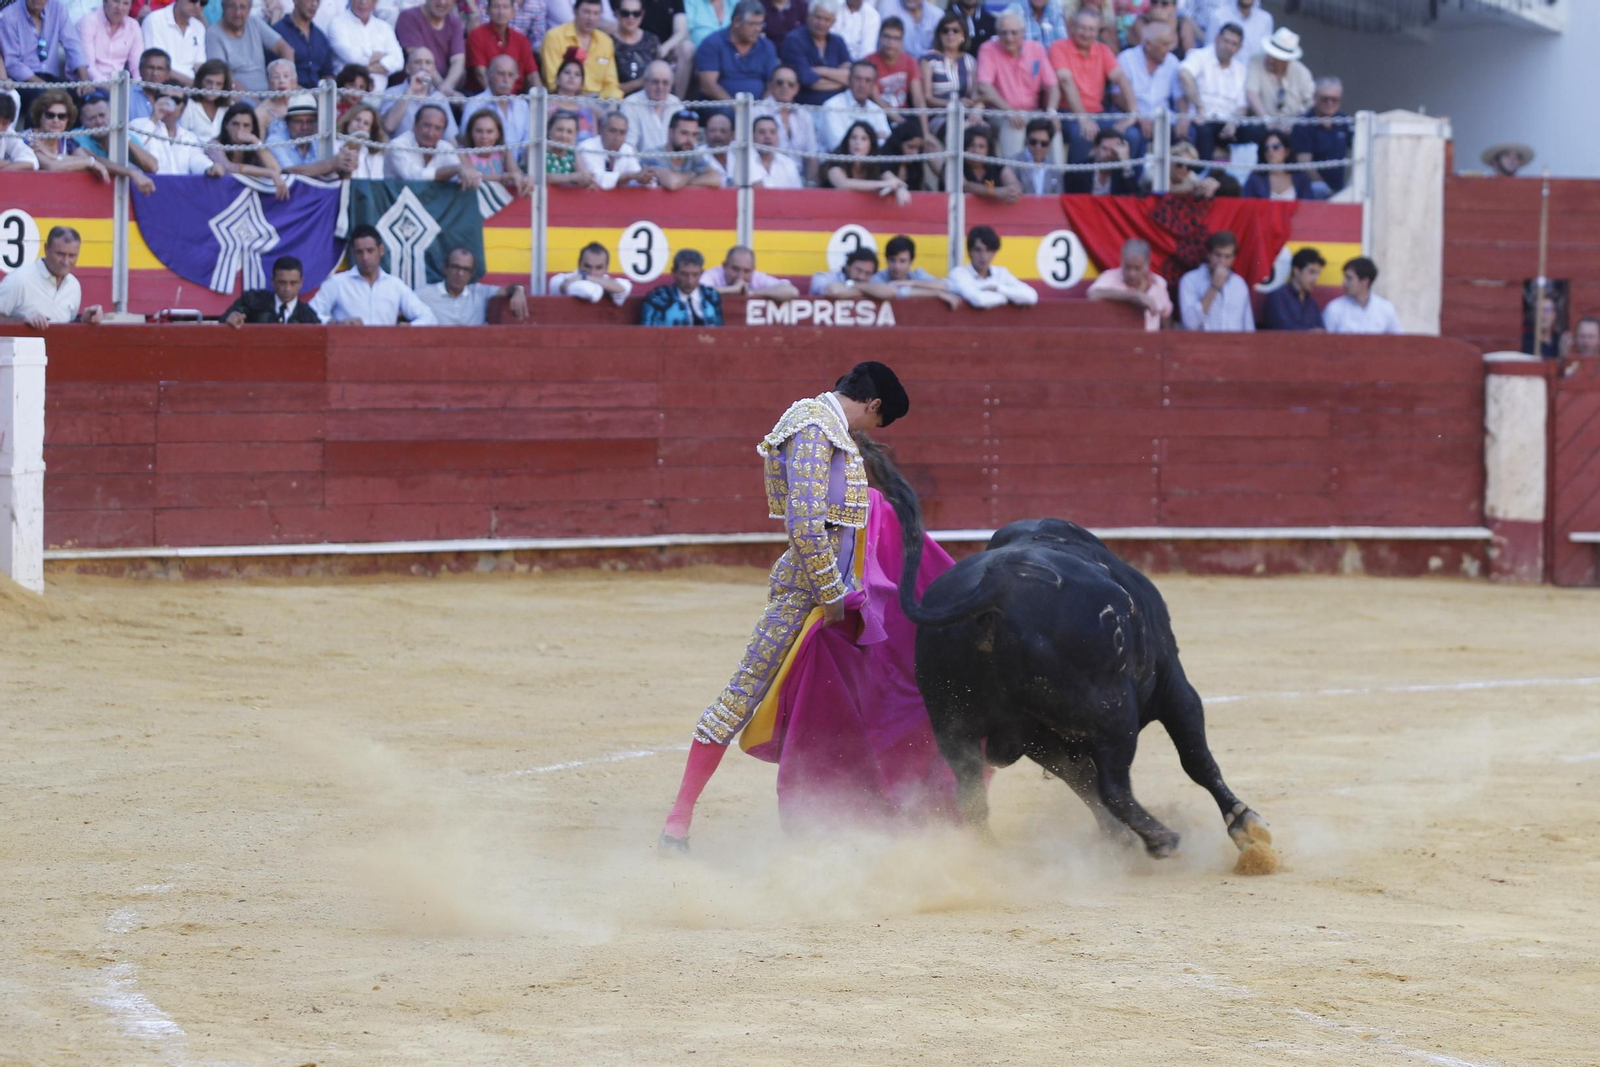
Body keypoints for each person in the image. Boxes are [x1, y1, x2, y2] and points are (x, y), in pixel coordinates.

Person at [659, 361, 930, 849]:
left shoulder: (832, 432)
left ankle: (851, 823)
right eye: (878, 421)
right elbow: (805, 525)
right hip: (807, 596)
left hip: (842, 597)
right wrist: (831, 596)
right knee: (742, 694)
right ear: (873, 405)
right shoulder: (812, 425)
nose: (872, 430)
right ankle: (677, 822)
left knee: (865, 696)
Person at [1051, 5, 1137, 164]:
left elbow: (1121, 78)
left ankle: (1127, 185)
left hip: (1099, 114)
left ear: (1097, 32)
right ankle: (1076, 186)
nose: (1086, 33)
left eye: (1091, 29)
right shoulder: (1059, 47)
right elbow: (1066, 82)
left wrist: (1132, 114)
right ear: (1072, 27)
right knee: (1083, 134)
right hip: (1069, 114)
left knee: (1132, 134)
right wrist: (1083, 118)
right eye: (1082, 28)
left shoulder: (1103, 49)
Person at [310, 225, 438, 325]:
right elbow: (308, 315)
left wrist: (409, 328)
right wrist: (335, 323)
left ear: (381, 250)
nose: (365, 257)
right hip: (347, 353)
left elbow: (429, 317)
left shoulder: (395, 285)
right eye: (360, 252)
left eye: (370, 251)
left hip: (385, 353)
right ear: (353, 253)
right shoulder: (337, 283)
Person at [975, 8, 1058, 158]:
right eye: (1003, 33)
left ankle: (1056, 178)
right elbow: (984, 86)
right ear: (997, 33)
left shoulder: (1036, 49)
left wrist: (1051, 112)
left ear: (1023, 32)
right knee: (1015, 127)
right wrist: (1009, 111)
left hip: (1033, 112)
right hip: (1001, 112)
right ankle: (1012, 179)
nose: (1009, 37)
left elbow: (1052, 85)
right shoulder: (988, 49)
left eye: (1014, 32)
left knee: (1052, 128)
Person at [0, 0, 90, 116]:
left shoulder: (57, 8)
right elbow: (13, 63)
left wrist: (85, 81)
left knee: (84, 95)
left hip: (50, 78)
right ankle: (32, 134)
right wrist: (45, 86)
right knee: (42, 98)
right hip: (24, 81)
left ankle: (75, 135)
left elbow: (73, 44)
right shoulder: (9, 15)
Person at [0, 226, 102, 329]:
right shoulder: (19, 280)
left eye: (72, 256)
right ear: (46, 249)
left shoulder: (74, 286)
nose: (66, 262)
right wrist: (23, 321)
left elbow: (66, 327)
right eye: (60, 254)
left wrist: (83, 320)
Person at [1179, 20, 1247, 162]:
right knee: (1204, 131)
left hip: (1227, 122)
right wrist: (1199, 105)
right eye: (1225, 41)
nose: (1228, 46)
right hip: (1202, 118)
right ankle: (1203, 175)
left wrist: (1234, 122)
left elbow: (1242, 106)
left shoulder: (1241, 70)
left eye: (1233, 44)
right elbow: (1184, 74)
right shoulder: (1199, 56)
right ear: (1217, 38)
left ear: (1239, 47)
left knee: (1256, 132)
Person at [1117, 18, 1189, 148]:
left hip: (1163, 119)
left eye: (1170, 44)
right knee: (1134, 135)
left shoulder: (1172, 61)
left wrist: (1183, 117)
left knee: (1188, 132)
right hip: (1133, 117)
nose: (1169, 49)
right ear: (1149, 45)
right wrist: (1138, 116)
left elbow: (1180, 96)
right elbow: (1117, 96)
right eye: (1164, 44)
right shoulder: (1126, 58)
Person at [415, 246, 529, 324]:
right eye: (455, 267)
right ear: (445, 268)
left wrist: (519, 290)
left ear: (471, 274)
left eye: (466, 269)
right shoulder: (424, 294)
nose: (460, 273)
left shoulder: (480, 293)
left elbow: (509, 289)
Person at [71, 93, 160, 193]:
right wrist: (132, 173)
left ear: (112, 114)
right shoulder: (76, 136)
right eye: (92, 118)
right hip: (86, 192)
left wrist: (125, 140)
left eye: (102, 115)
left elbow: (152, 167)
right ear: (82, 120)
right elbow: (94, 161)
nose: (99, 121)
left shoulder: (127, 135)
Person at [695, 0, 778, 101]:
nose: (758, 29)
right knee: (720, 118)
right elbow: (708, 86)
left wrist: (760, 108)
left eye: (760, 24)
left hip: (758, 108)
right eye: (752, 24)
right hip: (720, 106)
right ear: (736, 21)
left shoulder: (766, 46)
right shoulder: (712, 43)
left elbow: (773, 83)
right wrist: (736, 107)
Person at [206, 0, 295, 93]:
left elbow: (286, 49)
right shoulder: (214, 33)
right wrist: (250, 99)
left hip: (268, 95)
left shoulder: (255, 23)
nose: (237, 12)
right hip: (237, 98)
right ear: (223, 8)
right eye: (232, 6)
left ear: (249, 10)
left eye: (243, 7)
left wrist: (289, 79)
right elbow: (222, 74)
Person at [129, 86, 221, 173]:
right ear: (155, 101)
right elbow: (135, 149)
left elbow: (198, 161)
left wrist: (211, 167)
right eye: (163, 97)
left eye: (175, 100)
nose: (168, 103)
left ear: (183, 108)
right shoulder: (137, 125)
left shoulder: (188, 137)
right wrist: (154, 119)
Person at [1087, 237, 1171, 330]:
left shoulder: (1159, 283)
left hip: (1150, 341)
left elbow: (1165, 317)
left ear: (1148, 264)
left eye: (1137, 268)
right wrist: (1135, 295)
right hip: (1118, 340)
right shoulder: (1110, 277)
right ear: (1121, 261)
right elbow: (1093, 294)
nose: (1132, 273)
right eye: (1128, 267)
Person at [1244, 26, 1312, 142]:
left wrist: (1294, 123)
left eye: (1276, 58)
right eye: (1269, 54)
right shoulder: (1256, 61)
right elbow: (1251, 93)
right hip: (1263, 123)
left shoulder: (1302, 72)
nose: (1270, 60)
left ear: (1287, 60)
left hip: (1292, 125)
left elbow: (1311, 102)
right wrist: (1267, 121)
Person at [542, 0, 622, 97]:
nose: (591, 18)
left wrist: (611, 102)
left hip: (600, 99)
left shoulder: (605, 41)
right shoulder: (554, 37)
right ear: (575, 12)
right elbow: (552, 81)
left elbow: (611, 84)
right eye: (586, 12)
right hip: (566, 98)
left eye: (596, 13)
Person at [385, 101, 479, 183]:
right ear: (415, 125)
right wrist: (456, 169)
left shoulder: (446, 147)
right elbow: (415, 178)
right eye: (426, 125)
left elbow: (462, 176)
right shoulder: (397, 145)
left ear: (443, 132)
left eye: (438, 128)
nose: (431, 133)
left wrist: (466, 173)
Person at [1178, 229, 1253, 331]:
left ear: (1233, 258)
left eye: (1227, 257)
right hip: (1201, 345)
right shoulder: (1190, 280)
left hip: (1233, 345)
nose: (1222, 261)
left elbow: (1248, 326)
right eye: (1218, 255)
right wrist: (1214, 287)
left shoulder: (1239, 284)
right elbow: (1190, 324)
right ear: (1209, 255)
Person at [824, 120, 911, 206]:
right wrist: (882, 184)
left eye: (864, 139)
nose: (858, 143)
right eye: (854, 138)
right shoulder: (837, 158)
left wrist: (900, 188)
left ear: (871, 144)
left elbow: (893, 180)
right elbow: (842, 184)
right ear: (847, 141)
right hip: (833, 208)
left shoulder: (876, 162)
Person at [780, 0, 849, 106]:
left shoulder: (838, 41)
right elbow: (808, 80)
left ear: (833, 22)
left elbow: (850, 76)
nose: (821, 23)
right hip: (806, 104)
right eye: (818, 17)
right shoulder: (794, 40)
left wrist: (822, 71)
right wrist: (841, 81)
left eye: (827, 19)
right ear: (809, 16)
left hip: (838, 105)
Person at [949, 225, 1037, 308]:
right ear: (969, 252)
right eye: (978, 250)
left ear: (994, 252)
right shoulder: (959, 273)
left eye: (989, 250)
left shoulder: (1001, 273)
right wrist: (1006, 298)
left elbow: (1031, 296)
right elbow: (979, 300)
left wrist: (997, 289)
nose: (984, 256)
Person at [756, 63, 818, 180]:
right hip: (766, 177)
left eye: (791, 84)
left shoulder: (805, 115)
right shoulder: (757, 111)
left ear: (797, 88)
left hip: (798, 180)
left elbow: (812, 156)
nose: (785, 87)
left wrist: (811, 185)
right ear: (770, 85)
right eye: (780, 83)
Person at [383, 48, 461, 140]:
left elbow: (449, 137)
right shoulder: (392, 92)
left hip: (431, 152)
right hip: (401, 150)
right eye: (417, 62)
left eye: (428, 63)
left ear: (433, 69)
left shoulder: (439, 97)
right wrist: (410, 90)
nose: (423, 67)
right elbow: (388, 126)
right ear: (407, 68)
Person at [1291, 76, 1349, 199]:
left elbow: (1360, 147)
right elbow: (1304, 162)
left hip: (1339, 189)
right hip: (1312, 189)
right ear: (1315, 98)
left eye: (1335, 99)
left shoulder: (1343, 121)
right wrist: (1326, 190)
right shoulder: (1304, 123)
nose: (1330, 103)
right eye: (1325, 99)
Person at [222, 255, 322, 325]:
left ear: (301, 282)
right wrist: (231, 318)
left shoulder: (308, 316)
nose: (287, 289)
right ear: (273, 281)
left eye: (293, 283)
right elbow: (226, 320)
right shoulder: (252, 301)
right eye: (282, 282)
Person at [329, 0, 404, 90]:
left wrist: (366, 68)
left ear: (375, 2)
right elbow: (353, 57)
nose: (363, 2)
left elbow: (398, 61)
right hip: (347, 96)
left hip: (378, 98)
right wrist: (380, 56)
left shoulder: (384, 27)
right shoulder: (337, 24)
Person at [461, 54, 529, 154]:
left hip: (519, 167)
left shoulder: (522, 105)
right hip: (485, 165)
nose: (506, 80)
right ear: (489, 75)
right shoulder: (475, 103)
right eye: (501, 74)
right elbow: (466, 139)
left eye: (510, 75)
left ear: (516, 78)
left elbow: (528, 141)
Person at [465, 0, 537, 92]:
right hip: (482, 98)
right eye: (496, 7)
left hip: (516, 100)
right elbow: (480, 74)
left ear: (513, 12)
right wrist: (497, 100)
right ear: (487, 10)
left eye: (505, 7)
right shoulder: (476, 35)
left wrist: (543, 100)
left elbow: (532, 75)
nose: (501, 12)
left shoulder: (521, 40)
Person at [919, 11, 978, 122]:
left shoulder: (970, 60)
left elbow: (974, 94)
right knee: (966, 132)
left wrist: (977, 107)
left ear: (963, 35)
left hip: (965, 114)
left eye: (955, 31)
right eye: (945, 31)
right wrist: (955, 104)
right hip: (939, 115)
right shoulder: (928, 59)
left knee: (982, 132)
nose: (950, 34)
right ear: (939, 35)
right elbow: (927, 98)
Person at [871, 234, 959, 308]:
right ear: (886, 260)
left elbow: (949, 285)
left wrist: (912, 283)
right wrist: (936, 293)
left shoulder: (917, 276)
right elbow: (897, 292)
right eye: (892, 260)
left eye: (902, 261)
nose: (897, 266)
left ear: (911, 262)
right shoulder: (878, 278)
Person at [817, 59, 888, 150]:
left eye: (868, 80)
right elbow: (838, 146)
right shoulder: (832, 106)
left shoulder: (877, 110)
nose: (862, 84)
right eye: (858, 79)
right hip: (837, 163)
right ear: (849, 80)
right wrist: (875, 136)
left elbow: (886, 145)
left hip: (871, 163)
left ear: (873, 84)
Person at [396, 0, 466, 93]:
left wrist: (446, 88)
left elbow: (458, 60)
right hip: (413, 90)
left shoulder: (454, 22)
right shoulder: (408, 17)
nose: (442, 2)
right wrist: (444, 91)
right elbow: (421, 60)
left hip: (446, 90)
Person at [639, 108, 719, 189]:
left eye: (694, 134)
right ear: (670, 132)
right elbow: (672, 183)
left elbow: (716, 179)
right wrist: (692, 174)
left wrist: (685, 181)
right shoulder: (653, 155)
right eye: (684, 133)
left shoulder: (693, 155)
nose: (689, 139)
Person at [640, 248, 723, 325]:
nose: (690, 281)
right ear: (673, 272)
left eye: (695, 274)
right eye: (684, 274)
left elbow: (720, 331)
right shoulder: (658, 298)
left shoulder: (712, 296)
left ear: (701, 273)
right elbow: (647, 332)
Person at [865, 17, 924, 124]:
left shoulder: (910, 61)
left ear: (901, 40)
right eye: (887, 36)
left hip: (904, 114)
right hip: (878, 116)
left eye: (896, 38)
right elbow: (876, 99)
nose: (890, 42)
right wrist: (902, 122)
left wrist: (925, 132)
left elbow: (918, 99)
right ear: (880, 37)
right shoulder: (869, 61)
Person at [458, 107, 533, 192]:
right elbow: (474, 177)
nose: (484, 136)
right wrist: (506, 177)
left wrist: (525, 179)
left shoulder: (503, 152)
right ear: (471, 132)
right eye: (479, 131)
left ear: (498, 134)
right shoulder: (463, 153)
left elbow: (516, 173)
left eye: (489, 131)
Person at [1323, 256, 1401, 335]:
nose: (1344, 282)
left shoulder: (1385, 308)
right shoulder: (1335, 308)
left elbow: (1399, 341)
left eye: (1349, 278)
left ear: (1365, 281)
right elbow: (1324, 342)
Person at [275, 0, 338, 90]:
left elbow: (328, 73)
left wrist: (328, 93)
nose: (314, 4)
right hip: (290, 96)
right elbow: (274, 73)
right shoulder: (278, 32)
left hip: (319, 97)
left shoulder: (320, 36)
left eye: (317, 1)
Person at [140, 0, 206, 84]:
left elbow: (199, 65)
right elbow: (158, 67)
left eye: (203, 2)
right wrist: (194, 84)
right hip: (162, 86)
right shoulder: (155, 20)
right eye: (193, 0)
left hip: (192, 88)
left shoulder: (199, 27)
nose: (197, 6)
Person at [703, 244, 800, 301]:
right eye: (735, 269)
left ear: (753, 269)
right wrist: (733, 289)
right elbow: (699, 292)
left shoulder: (757, 277)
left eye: (746, 271)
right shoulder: (714, 275)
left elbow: (792, 291)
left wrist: (750, 292)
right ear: (724, 266)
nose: (740, 276)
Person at [1259, 246, 1324, 331]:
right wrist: (1310, 333)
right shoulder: (1278, 297)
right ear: (1296, 271)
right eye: (1311, 272)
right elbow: (1284, 330)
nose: (1315, 278)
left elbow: (1321, 332)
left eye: (1318, 273)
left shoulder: (1312, 303)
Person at [550, 241, 636, 304]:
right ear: (579, 264)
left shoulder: (608, 281)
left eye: (598, 268)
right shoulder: (560, 279)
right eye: (587, 266)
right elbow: (588, 292)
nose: (592, 272)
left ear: (606, 268)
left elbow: (623, 288)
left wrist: (585, 277)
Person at [78, 0, 143, 82]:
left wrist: (140, 87)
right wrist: (109, 88)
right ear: (105, 1)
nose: (120, 7)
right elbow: (88, 66)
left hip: (118, 85)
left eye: (125, 3)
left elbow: (136, 67)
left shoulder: (133, 26)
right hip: (90, 84)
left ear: (131, 6)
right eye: (115, 1)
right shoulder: (88, 22)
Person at [623, 59, 680, 152]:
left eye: (665, 83)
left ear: (671, 85)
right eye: (655, 82)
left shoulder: (676, 104)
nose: (660, 87)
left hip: (671, 165)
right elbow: (629, 146)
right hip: (642, 164)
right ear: (645, 82)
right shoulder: (630, 104)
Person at [576, 109, 642, 187]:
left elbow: (637, 176)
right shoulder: (586, 147)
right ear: (601, 130)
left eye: (622, 132)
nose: (617, 137)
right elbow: (597, 179)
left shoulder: (627, 149)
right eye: (613, 131)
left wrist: (646, 177)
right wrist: (630, 176)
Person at [1062, 126, 1137, 195]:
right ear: (1095, 148)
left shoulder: (1122, 173)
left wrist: (1126, 164)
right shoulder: (1080, 170)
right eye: (1105, 149)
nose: (1109, 154)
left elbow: (1135, 197)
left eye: (1113, 150)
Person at [1242, 130, 1311, 200]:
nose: (1270, 151)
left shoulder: (1301, 178)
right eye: (1266, 148)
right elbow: (1247, 205)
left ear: (1286, 151)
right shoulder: (1255, 179)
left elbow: (1308, 205)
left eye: (1276, 147)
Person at [960, 125, 1021, 203]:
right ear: (964, 147)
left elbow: (1014, 184)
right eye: (971, 145)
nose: (976, 150)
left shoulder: (996, 164)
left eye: (981, 146)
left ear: (988, 150)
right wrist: (996, 192)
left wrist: (1015, 191)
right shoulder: (957, 164)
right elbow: (965, 185)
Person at [611, 0, 660, 94]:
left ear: (642, 14)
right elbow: (608, 87)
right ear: (617, 13)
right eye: (625, 13)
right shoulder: (608, 43)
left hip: (651, 100)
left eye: (636, 13)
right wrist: (639, 82)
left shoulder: (652, 40)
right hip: (619, 102)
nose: (631, 17)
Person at [810, 246, 895, 298]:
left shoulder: (872, 280)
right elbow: (834, 291)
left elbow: (891, 292)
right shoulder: (822, 277)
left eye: (867, 273)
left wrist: (854, 285)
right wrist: (869, 292)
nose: (861, 276)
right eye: (858, 270)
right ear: (848, 266)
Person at [1202, 0, 1269, 64]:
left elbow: (1265, 55)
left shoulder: (1265, 20)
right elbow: (1209, 51)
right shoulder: (1219, 15)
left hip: (1254, 73)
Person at [182, 59, 234, 141]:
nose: (213, 88)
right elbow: (182, 136)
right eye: (209, 82)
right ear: (200, 81)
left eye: (219, 84)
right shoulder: (189, 105)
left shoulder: (230, 107)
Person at [747, 113, 801, 187]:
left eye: (772, 132)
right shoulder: (745, 162)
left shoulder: (788, 164)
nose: (768, 136)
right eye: (762, 132)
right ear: (753, 137)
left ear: (778, 136)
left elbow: (797, 195)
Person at [1012, 116, 1060, 196]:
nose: (1038, 147)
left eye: (1044, 144)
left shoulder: (1055, 170)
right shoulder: (1013, 163)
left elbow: (1059, 197)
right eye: (1033, 142)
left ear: (1050, 145)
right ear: (1027, 140)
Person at [337, 101, 388, 175]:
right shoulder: (334, 144)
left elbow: (376, 183)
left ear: (370, 130)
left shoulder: (376, 155)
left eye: (366, 123)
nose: (360, 125)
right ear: (349, 121)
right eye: (357, 119)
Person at [127, 47, 171, 121]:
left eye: (160, 69)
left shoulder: (174, 97)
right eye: (150, 68)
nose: (155, 73)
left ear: (168, 74)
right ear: (140, 70)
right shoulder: (127, 94)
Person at [0, 93, 39, 171]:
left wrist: (6, 165)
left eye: (5, 123)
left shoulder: (7, 132)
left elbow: (31, 161)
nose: (0, 127)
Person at [701, 109, 735, 185]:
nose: (717, 135)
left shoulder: (741, 151)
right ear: (705, 133)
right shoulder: (697, 156)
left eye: (723, 131)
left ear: (732, 135)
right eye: (713, 130)